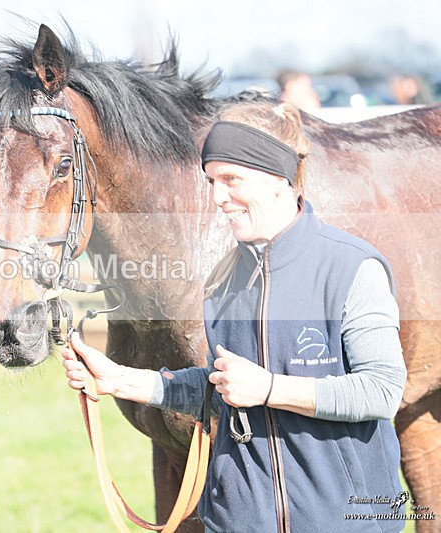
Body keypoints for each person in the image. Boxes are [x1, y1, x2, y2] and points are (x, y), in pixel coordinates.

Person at [62, 102, 407, 532]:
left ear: (279, 178)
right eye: (210, 180)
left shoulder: (351, 269)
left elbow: (382, 390)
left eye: (230, 179)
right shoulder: (222, 281)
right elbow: (220, 390)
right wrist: (120, 380)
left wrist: (269, 388)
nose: (217, 198)